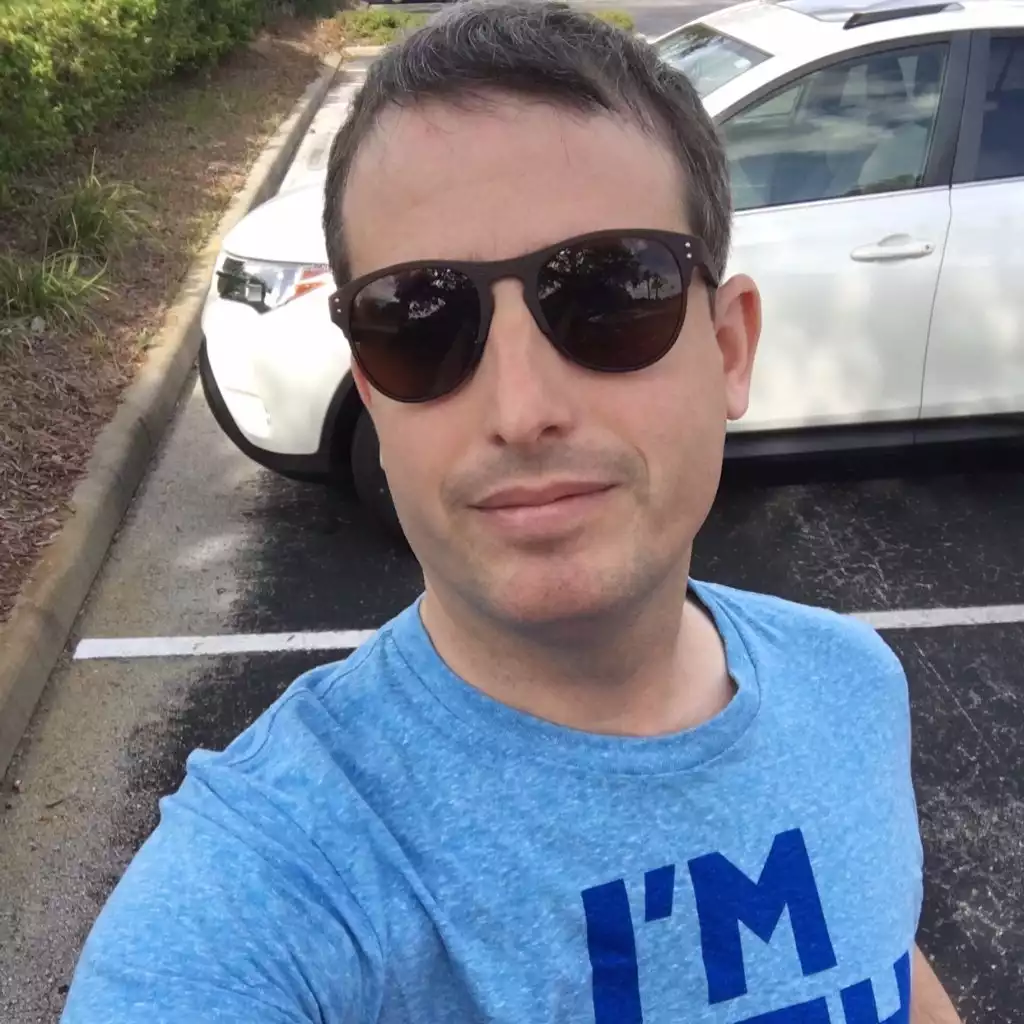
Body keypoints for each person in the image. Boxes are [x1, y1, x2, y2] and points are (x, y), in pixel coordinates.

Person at [62, 2, 963, 1021]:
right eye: (418, 322)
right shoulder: (269, 879)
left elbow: (883, 962)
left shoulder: (849, 685)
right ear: (373, 393)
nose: (521, 410)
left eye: (610, 295)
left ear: (728, 349)